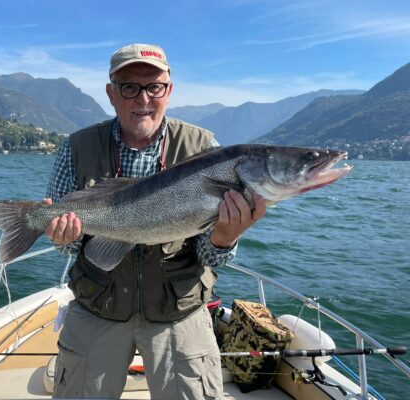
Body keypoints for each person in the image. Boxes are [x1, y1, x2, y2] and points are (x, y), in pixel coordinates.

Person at [43, 43, 267, 399]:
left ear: (169, 91)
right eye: (129, 87)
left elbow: (209, 256)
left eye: (154, 87)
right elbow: (72, 247)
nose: (142, 99)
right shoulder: (76, 147)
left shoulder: (207, 149)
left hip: (177, 309)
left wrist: (224, 239)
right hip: (97, 304)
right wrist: (62, 237)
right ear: (111, 94)